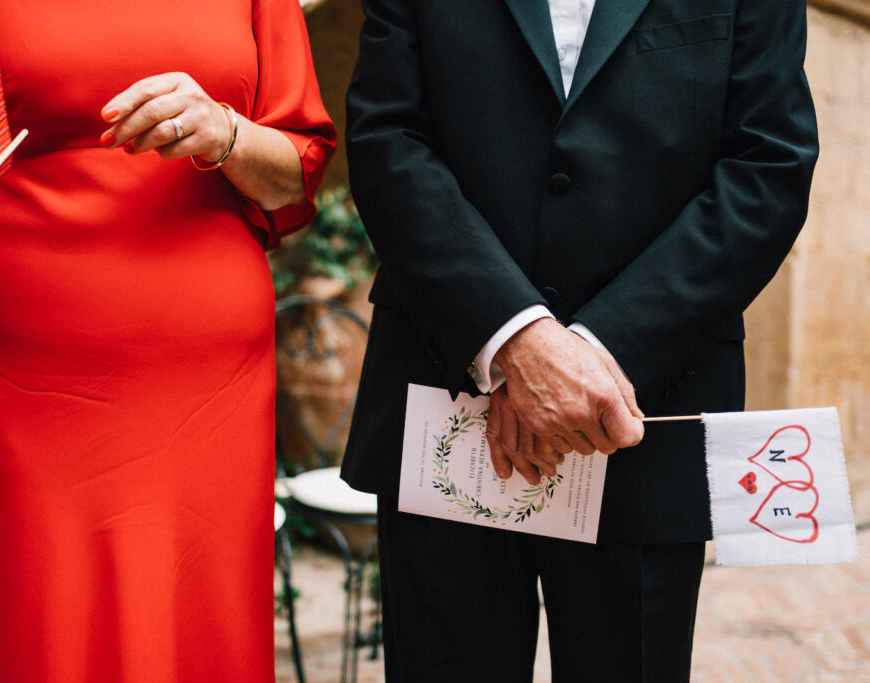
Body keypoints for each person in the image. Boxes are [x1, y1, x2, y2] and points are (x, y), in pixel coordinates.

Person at [342, 1, 818, 681]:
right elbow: (387, 137)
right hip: (448, 406)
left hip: (647, 415)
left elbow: (768, 165)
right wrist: (512, 339)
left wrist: (590, 353)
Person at [0, 1, 334, 679]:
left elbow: (299, 173)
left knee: (199, 628)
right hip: (22, 380)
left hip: (207, 387)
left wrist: (224, 131)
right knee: (37, 625)